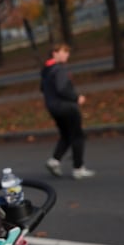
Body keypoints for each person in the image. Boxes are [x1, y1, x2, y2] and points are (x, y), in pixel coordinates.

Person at [41, 43, 95, 179]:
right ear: (54, 53)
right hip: (67, 107)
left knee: (66, 135)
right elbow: (62, 88)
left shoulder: (46, 69)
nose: (67, 55)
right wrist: (76, 98)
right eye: (64, 52)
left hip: (53, 108)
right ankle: (78, 168)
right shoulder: (59, 69)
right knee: (77, 136)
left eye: (67, 52)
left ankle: (54, 161)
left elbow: (42, 88)